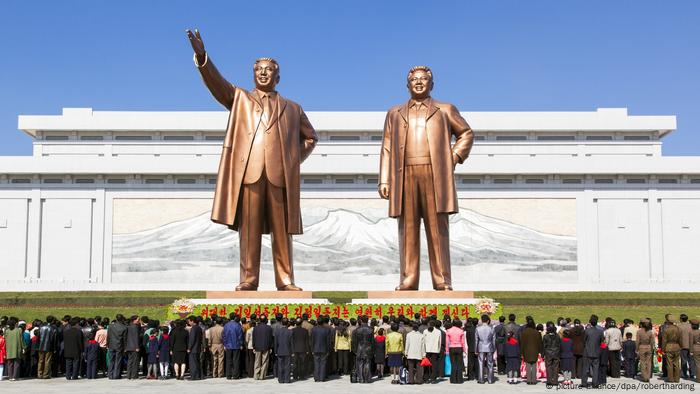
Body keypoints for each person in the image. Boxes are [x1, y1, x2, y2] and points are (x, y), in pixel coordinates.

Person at [187, 29, 317, 292]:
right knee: (249, 230)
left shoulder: (293, 108)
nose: (263, 73)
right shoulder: (240, 99)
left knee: (283, 232)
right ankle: (249, 279)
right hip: (250, 172)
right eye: (259, 69)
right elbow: (217, 84)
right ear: (253, 73)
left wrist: (292, 160)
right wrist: (202, 56)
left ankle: (285, 280)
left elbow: (310, 138)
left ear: (278, 76)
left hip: (280, 175)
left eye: (269, 69)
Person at [378, 65, 474, 291]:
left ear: (432, 84)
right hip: (405, 174)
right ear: (407, 84)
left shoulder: (445, 109)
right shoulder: (395, 113)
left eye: (423, 79)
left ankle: (442, 279)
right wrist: (384, 179)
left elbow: (466, 133)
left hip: (434, 174)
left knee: (437, 229)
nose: (419, 83)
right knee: (407, 229)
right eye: (414, 80)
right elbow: (387, 147)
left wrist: (453, 157)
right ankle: (408, 279)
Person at [475, 314, 496, 384]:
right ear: (488, 320)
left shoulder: (478, 328)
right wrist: (494, 348)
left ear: (481, 320)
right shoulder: (491, 328)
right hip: (489, 346)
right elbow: (494, 340)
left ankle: (481, 379)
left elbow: (476, 340)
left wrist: (476, 349)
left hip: (481, 347)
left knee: (481, 363)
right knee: (490, 363)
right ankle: (490, 379)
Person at [311, 316, 332, 382]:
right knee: (323, 364)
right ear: (323, 322)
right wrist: (328, 350)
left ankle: (316, 378)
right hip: (324, 349)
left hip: (315, 348)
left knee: (316, 363)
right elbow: (328, 341)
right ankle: (322, 378)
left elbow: (312, 340)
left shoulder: (313, 329)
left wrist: (312, 349)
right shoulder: (327, 330)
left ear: (317, 322)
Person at [520, 320, 542, 385]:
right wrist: (540, 351)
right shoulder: (537, 332)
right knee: (534, 365)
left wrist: (521, 352)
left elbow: (522, 343)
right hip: (535, 350)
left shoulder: (524, 332)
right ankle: (534, 380)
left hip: (526, 350)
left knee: (528, 365)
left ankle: (529, 380)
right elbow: (540, 343)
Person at [662, 314, 682, 383]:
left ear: (667, 321)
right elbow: (680, 339)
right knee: (676, 364)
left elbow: (664, 341)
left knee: (669, 364)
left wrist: (663, 349)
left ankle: (670, 378)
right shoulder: (678, 329)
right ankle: (677, 378)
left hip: (669, 347)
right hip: (677, 347)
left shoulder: (666, 329)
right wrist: (681, 346)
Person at [446, 319, 466, 383]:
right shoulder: (461, 331)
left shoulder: (448, 330)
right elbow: (463, 342)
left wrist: (447, 350)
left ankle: (453, 379)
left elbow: (447, 342)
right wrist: (464, 349)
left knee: (453, 364)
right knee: (459, 364)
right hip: (459, 347)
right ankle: (459, 379)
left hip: (451, 347)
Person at [273, 318, 293, 383]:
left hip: (280, 350)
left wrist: (275, 351)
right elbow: (291, 343)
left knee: (280, 365)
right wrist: (292, 351)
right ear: (287, 323)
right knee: (287, 366)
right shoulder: (290, 331)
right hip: (287, 351)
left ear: (281, 323)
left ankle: (281, 379)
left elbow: (276, 343)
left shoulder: (277, 332)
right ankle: (287, 379)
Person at [125, 316, 141, 380]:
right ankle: (134, 375)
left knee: (129, 361)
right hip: (134, 347)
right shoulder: (135, 327)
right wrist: (137, 346)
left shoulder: (128, 326)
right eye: (138, 319)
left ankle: (128, 375)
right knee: (135, 362)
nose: (139, 321)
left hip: (129, 346)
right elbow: (136, 337)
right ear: (134, 320)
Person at [679, 314, 694, 380]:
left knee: (684, 360)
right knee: (691, 360)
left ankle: (684, 374)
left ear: (681, 319)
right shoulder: (691, 326)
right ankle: (692, 373)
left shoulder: (679, 326)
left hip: (683, 345)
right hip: (691, 345)